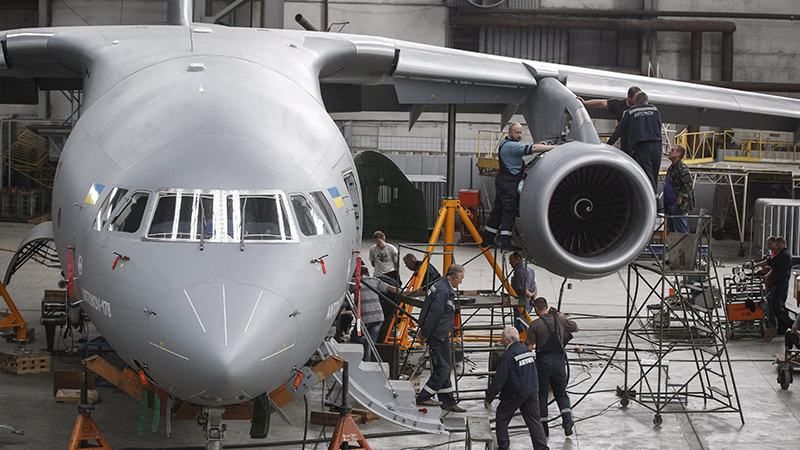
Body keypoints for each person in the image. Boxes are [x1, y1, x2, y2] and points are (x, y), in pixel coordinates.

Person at [482, 122, 554, 251]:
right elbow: (532, 149)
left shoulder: (505, 144)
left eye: (521, 132)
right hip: (509, 183)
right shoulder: (511, 146)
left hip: (503, 181)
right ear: (510, 133)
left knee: (498, 210)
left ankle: (487, 239)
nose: (520, 135)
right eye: (517, 132)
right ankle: (505, 243)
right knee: (508, 211)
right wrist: (554, 148)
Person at [484, 326, 549, 450]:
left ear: (508, 339)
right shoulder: (525, 350)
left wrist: (489, 398)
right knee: (534, 420)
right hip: (531, 389)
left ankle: (504, 446)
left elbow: (499, 379)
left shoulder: (508, 355)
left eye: (502, 336)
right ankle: (542, 447)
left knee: (502, 417)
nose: (500, 339)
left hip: (516, 391)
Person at [415, 264, 467, 413]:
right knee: (443, 368)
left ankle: (448, 401)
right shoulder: (443, 291)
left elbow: (428, 310)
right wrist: (424, 333)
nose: (461, 282)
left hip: (440, 335)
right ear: (454, 276)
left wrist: (423, 330)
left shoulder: (440, 286)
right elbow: (434, 314)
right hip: (438, 336)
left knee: (445, 367)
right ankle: (424, 396)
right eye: (461, 278)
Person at [526, 297, 579, 437]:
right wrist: (561, 318)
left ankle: (544, 429)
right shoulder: (559, 320)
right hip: (559, 362)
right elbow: (576, 327)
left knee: (542, 395)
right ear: (547, 307)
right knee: (561, 393)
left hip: (543, 363)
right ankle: (567, 421)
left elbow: (529, 348)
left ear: (536, 309)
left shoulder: (534, 324)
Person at [607, 91, 663, 193]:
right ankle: (657, 202)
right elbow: (659, 127)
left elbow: (619, 130)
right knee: (654, 176)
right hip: (656, 146)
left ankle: (654, 203)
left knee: (647, 176)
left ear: (635, 101)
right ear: (646, 101)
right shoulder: (654, 110)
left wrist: (607, 145)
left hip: (642, 147)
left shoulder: (631, 112)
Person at [350, 266, 398, 361]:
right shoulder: (375, 280)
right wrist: (407, 292)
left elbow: (345, 295)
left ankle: (363, 357)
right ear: (368, 273)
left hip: (365, 318)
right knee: (371, 343)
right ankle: (368, 361)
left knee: (354, 338)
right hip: (378, 317)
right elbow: (391, 289)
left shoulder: (355, 282)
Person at [580, 86, 641, 155]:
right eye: (636, 99)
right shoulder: (619, 105)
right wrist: (585, 103)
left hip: (638, 141)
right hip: (625, 139)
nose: (638, 101)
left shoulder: (640, 107)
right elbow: (601, 103)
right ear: (629, 97)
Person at [764, 237, 793, 341]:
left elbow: (771, 262)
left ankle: (791, 324)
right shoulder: (781, 254)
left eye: (776, 245)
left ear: (781, 244)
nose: (775, 247)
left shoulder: (784, 254)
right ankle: (782, 328)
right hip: (778, 283)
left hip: (781, 284)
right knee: (776, 304)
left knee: (777, 305)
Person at [663, 144, 695, 234]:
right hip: (669, 203)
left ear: (679, 154)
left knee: (681, 228)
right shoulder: (672, 167)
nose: (669, 151)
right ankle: (673, 247)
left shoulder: (682, 168)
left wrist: (680, 197)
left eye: (672, 150)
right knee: (671, 229)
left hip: (677, 205)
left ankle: (684, 247)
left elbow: (688, 184)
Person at [509, 252, 537, 332]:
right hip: (528, 302)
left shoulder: (520, 272)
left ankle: (521, 339)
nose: (510, 262)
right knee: (524, 321)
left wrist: (530, 294)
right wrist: (533, 296)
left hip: (521, 302)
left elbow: (524, 291)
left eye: (511, 260)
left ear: (518, 259)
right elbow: (534, 286)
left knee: (520, 324)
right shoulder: (530, 269)